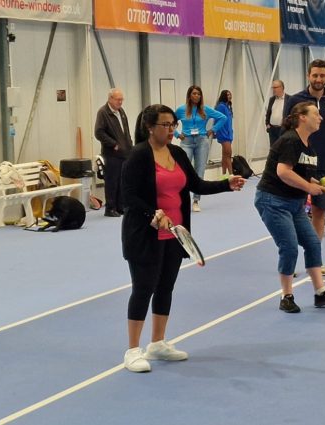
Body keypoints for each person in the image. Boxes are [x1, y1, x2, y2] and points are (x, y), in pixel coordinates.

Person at [120, 104, 246, 373]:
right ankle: (132, 350)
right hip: (145, 235)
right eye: (165, 125)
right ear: (149, 127)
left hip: (176, 234)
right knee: (143, 289)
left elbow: (195, 185)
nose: (170, 129)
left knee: (165, 288)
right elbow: (127, 196)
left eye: (172, 124)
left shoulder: (176, 153)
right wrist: (152, 213)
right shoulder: (139, 156)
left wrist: (227, 183)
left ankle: (157, 343)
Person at [254, 101, 325, 313]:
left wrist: (314, 184)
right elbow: (283, 172)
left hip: (294, 203)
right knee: (288, 247)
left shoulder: (309, 147)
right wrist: (308, 187)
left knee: (313, 242)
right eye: (316, 114)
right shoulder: (290, 140)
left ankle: (321, 293)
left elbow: (301, 174)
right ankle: (286, 297)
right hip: (273, 201)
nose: (321, 117)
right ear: (302, 117)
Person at [284, 60, 325, 276]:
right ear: (308, 76)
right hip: (299, 168)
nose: (318, 79)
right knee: (293, 212)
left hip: (324, 168)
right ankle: (289, 263)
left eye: (322, 75)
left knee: (320, 213)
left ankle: (315, 261)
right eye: (315, 75)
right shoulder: (295, 100)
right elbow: (286, 133)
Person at [175, 85, 227, 212]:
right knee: (183, 170)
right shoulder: (181, 110)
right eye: (194, 93)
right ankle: (182, 199)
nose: (196, 96)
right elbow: (171, 122)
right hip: (186, 141)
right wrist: (177, 134)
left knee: (199, 170)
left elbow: (223, 118)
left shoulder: (205, 110)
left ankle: (196, 200)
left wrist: (212, 130)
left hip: (201, 141)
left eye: (198, 94)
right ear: (189, 95)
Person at [94, 88, 133, 217]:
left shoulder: (121, 112)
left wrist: (129, 145)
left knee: (122, 181)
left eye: (122, 99)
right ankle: (110, 208)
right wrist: (113, 144)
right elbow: (98, 132)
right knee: (112, 181)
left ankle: (120, 206)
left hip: (124, 152)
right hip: (111, 153)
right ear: (110, 99)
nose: (120, 102)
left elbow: (125, 131)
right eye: (118, 99)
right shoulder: (103, 112)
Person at [265, 80, 291, 146]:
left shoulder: (289, 99)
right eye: (272, 88)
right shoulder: (272, 99)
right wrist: (267, 124)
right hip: (272, 129)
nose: (273, 90)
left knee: (283, 149)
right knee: (273, 149)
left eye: (275, 87)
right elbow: (268, 113)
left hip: (283, 129)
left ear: (282, 88)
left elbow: (292, 115)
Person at [215, 90, 234, 175]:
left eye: (230, 94)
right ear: (224, 96)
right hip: (223, 134)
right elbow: (218, 120)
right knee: (228, 155)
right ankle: (231, 175)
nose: (229, 96)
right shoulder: (221, 106)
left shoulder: (228, 106)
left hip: (229, 133)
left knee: (225, 155)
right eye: (227, 95)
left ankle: (223, 175)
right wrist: (222, 132)